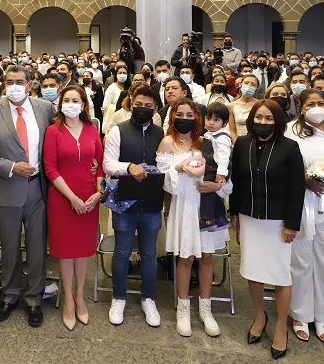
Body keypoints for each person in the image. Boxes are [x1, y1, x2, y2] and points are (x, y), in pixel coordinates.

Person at [0, 65, 54, 328]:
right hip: (7, 187)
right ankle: (9, 296)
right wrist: (11, 167)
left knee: (37, 248)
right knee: (9, 247)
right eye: (10, 82)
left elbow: (55, 144)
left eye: (20, 82)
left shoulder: (44, 109)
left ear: (30, 85)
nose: (14, 86)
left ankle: (34, 299)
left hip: (37, 189)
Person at [230, 100, 305, 360]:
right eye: (259, 117)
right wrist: (234, 212)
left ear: (278, 121)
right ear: (252, 119)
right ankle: (260, 316)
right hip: (249, 217)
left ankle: (281, 327)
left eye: (269, 118)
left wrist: (292, 224)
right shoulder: (242, 144)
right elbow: (236, 181)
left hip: (278, 222)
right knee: (253, 270)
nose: (263, 122)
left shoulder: (289, 147)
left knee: (281, 275)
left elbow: (297, 188)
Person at [157, 98, 232, 337]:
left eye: (190, 115)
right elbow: (163, 182)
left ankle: (206, 310)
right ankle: (183, 309)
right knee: (186, 257)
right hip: (184, 205)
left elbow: (224, 175)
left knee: (207, 257)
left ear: (197, 118)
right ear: (172, 116)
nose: (185, 119)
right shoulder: (167, 142)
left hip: (208, 204)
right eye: (180, 114)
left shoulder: (206, 141)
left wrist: (216, 186)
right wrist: (179, 167)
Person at [103, 84, 164, 327]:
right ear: (131, 103)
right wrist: (128, 167)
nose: (143, 109)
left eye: (148, 106)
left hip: (152, 203)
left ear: (155, 109)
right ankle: (118, 297)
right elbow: (108, 164)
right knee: (122, 251)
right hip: (124, 203)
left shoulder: (161, 133)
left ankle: (148, 298)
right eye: (139, 104)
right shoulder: (118, 131)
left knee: (149, 253)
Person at [43, 85, 104, 330]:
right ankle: (68, 298)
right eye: (66, 100)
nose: (70, 104)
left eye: (75, 100)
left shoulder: (92, 130)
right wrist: (72, 198)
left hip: (89, 198)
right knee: (66, 250)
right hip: (62, 197)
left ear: (83, 105)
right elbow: (50, 168)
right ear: (61, 105)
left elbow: (100, 165)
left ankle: (80, 296)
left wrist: (98, 192)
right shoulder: (53, 131)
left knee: (82, 249)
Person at [285, 89, 324, 343]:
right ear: (301, 107)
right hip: (301, 204)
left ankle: (321, 316)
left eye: (321, 103)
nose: (316, 107)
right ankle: (300, 314)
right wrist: (304, 180)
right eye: (310, 104)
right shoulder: (290, 131)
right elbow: (284, 166)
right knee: (301, 260)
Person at [228, 74, 259, 142]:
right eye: (246, 83)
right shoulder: (231, 106)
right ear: (241, 85)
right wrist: (238, 145)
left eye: (253, 84)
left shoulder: (259, 105)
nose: (249, 86)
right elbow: (232, 131)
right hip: (238, 142)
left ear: (256, 89)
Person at [102, 65, 130, 134]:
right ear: (116, 75)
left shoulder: (130, 88)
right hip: (115, 118)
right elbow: (105, 106)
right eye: (120, 73)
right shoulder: (112, 88)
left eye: (124, 73)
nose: (122, 75)